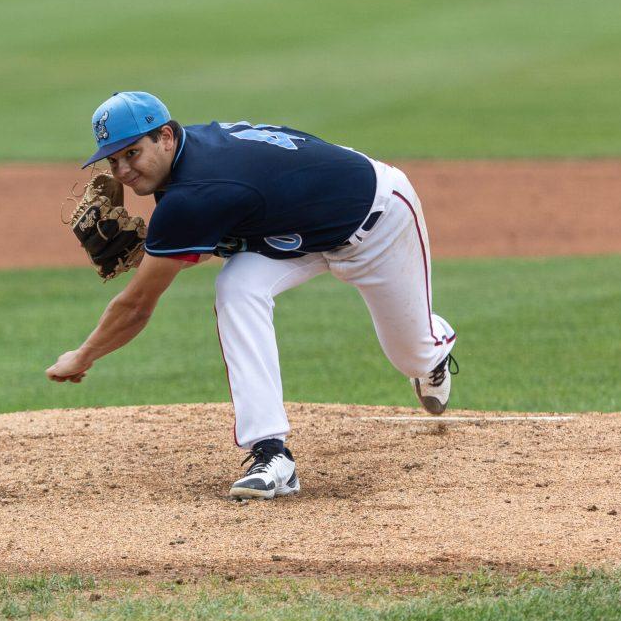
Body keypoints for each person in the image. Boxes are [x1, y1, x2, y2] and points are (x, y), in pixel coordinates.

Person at [46, 91, 457, 500]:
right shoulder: (186, 165)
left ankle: (434, 347)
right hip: (296, 234)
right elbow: (217, 231)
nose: (121, 170)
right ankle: (272, 454)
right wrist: (156, 253)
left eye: (131, 153)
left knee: (411, 354)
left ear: (166, 137)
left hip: (377, 220)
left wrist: (83, 355)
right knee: (237, 287)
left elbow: (136, 307)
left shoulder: (194, 191)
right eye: (112, 159)